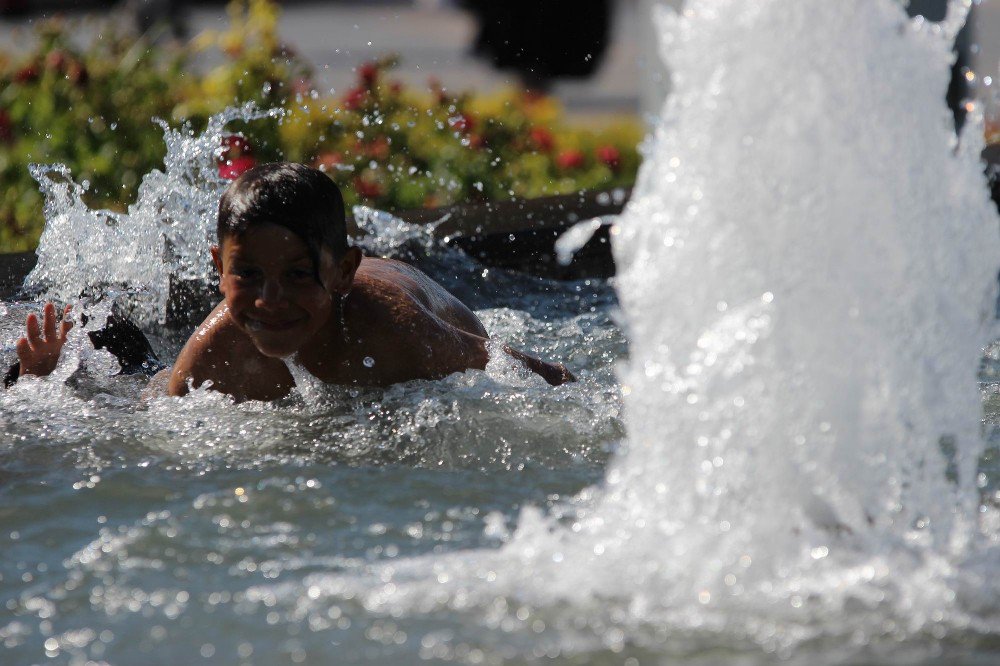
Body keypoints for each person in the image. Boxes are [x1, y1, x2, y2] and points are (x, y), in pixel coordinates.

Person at [13, 162, 574, 401]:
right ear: (219, 268)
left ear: (342, 272)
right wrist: (44, 384)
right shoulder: (219, 347)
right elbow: (141, 421)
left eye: (298, 276)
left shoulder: (399, 334)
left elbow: (547, 379)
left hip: (418, 295)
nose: (270, 300)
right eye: (248, 275)